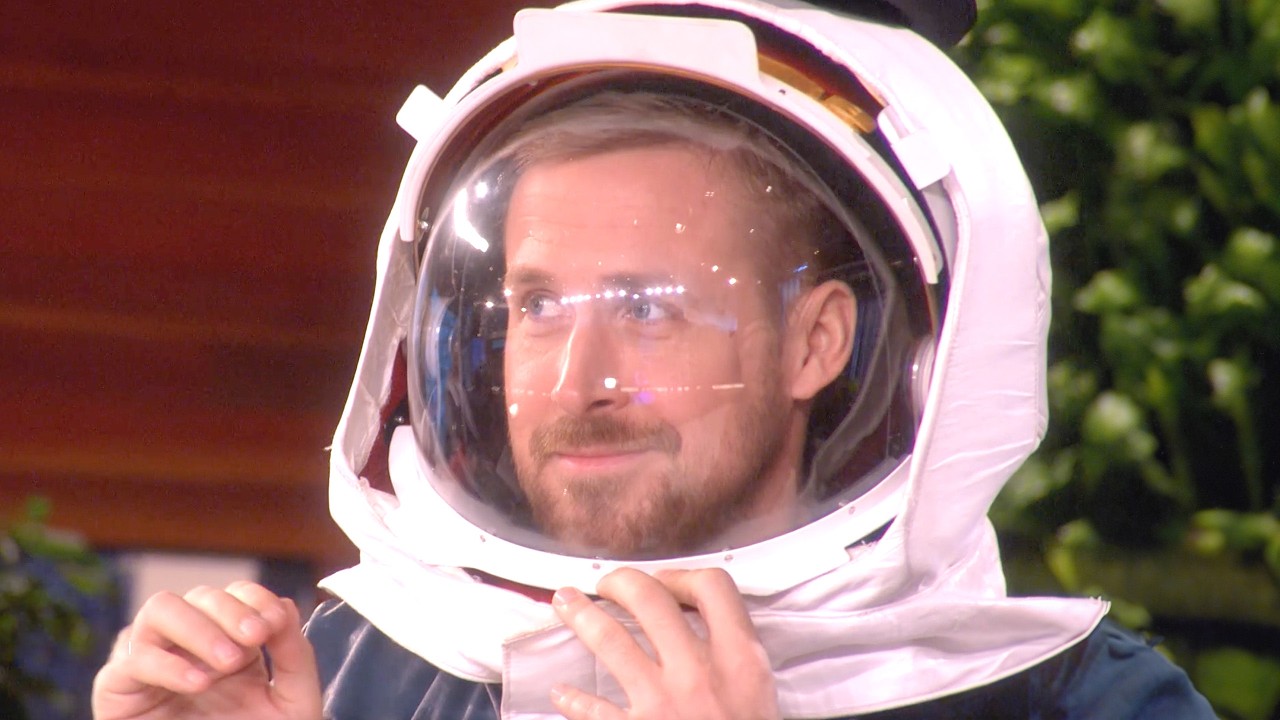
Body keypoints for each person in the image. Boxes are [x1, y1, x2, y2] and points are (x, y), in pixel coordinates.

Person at [92, 1, 1217, 718]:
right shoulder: (350, 670)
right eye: (537, 305)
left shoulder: (1077, 703)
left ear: (817, 342)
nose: (576, 381)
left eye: (648, 307)